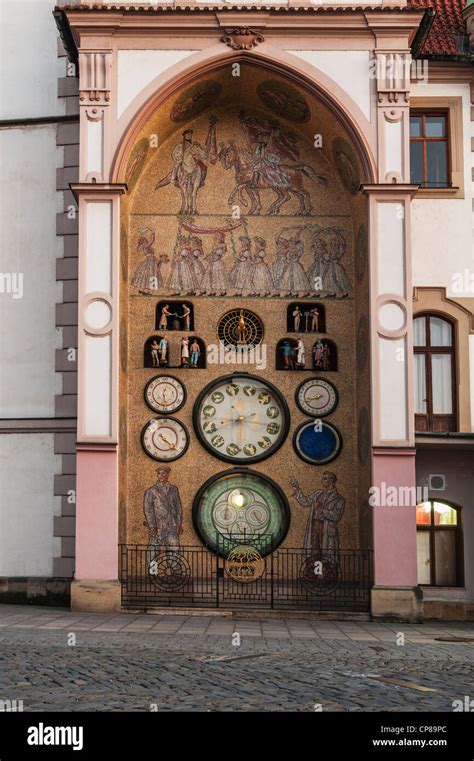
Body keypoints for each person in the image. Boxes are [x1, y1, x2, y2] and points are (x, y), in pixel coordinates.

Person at [290, 472, 345, 558]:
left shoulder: (339, 498)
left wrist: (322, 510)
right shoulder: (318, 493)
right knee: (314, 550)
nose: (324, 480)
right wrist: (297, 489)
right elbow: (305, 502)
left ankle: (328, 570)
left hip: (326, 528)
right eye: (323, 478)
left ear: (332, 480)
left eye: (326, 478)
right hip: (314, 526)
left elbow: (336, 516)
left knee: (328, 554)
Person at [143, 467, 183, 570]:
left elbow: (178, 507)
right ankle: (153, 572)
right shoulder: (151, 491)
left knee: (174, 550)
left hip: (172, 526)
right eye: (159, 473)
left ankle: (175, 572)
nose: (161, 475)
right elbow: (148, 510)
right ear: (157, 475)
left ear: (168, 474)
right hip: (157, 527)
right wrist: (152, 526)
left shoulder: (174, 489)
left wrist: (178, 523)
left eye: (164, 473)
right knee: (153, 551)